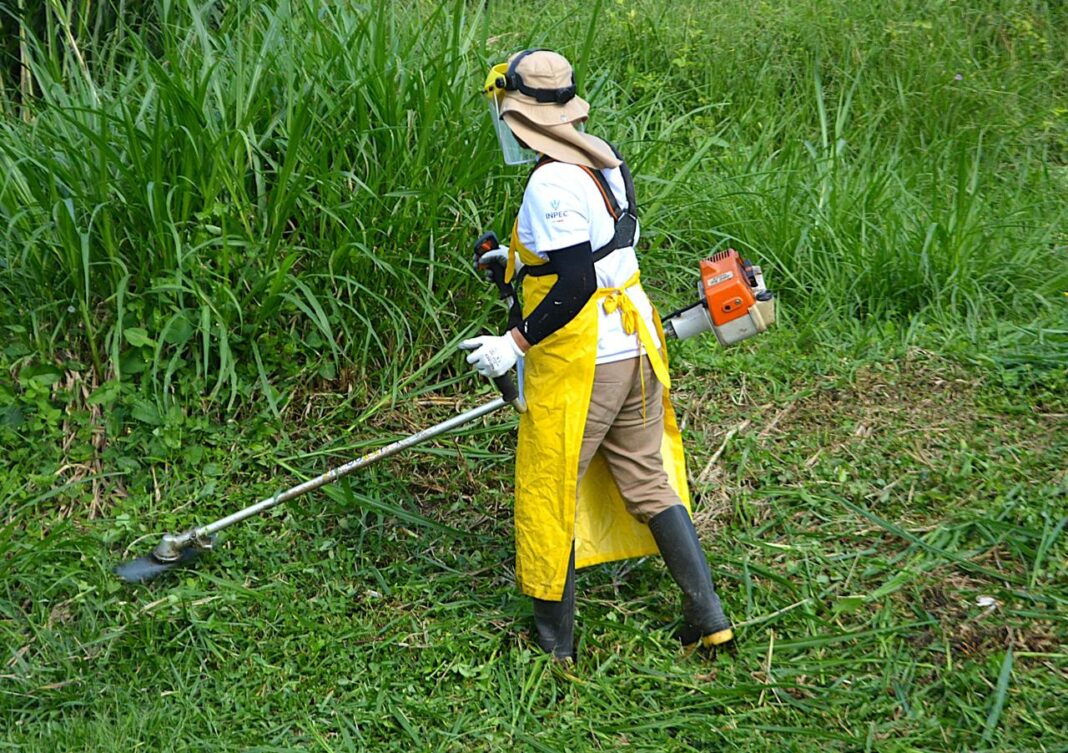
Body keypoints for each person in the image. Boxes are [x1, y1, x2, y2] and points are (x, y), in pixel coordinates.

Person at [461, 50, 732, 662]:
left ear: (515, 117)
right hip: (637, 347)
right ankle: (708, 615)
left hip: (587, 363)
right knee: (644, 476)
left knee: (548, 485)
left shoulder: (548, 181)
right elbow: (594, 254)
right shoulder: (601, 159)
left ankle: (555, 650)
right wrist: (510, 263)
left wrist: (513, 343)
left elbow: (577, 284)